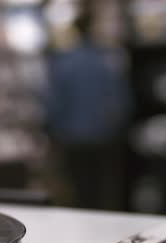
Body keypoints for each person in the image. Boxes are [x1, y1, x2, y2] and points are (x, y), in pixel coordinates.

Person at [44, 1, 131, 210]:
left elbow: (54, 105)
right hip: (103, 138)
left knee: (79, 195)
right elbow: (122, 103)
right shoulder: (108, 61)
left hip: (73, 140)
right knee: (104, 194)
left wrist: (52, 131)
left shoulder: (63, 63)